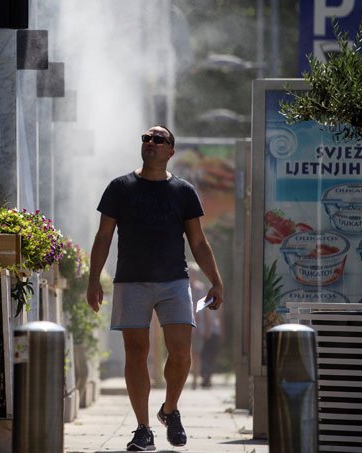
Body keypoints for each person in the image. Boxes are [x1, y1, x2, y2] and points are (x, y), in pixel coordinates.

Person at [86, 125, 224, 451]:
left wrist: (217, 281)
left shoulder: (183, 192)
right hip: (130, 280)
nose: (150, 143)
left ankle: (170, 409)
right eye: (146, 138)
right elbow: (103, 236)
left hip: (174, 281)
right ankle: (143, 429)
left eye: (158, 140)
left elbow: (199, 242)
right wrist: (93, 279)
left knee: (181, 352)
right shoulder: (120, 188)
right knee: (137, 354)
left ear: (170, 151)